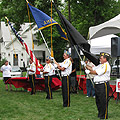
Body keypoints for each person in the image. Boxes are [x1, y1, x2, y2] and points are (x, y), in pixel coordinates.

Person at [83, 52, 111, 119]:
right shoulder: (100, 65)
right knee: (98, 101)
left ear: (105, 59)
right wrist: (85, 64)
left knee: (103, 101)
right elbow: (93, 68)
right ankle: (100, 114)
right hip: (98, 85)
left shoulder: (106, 65)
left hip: (103, 84)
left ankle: (104, 115)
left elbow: (96, 72)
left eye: (101, 58)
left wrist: (89, 72)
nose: (100, 59)